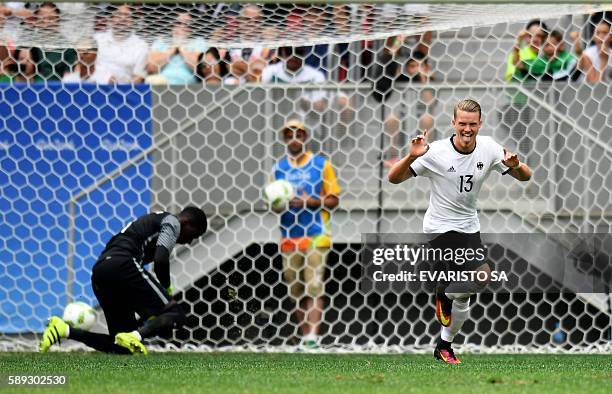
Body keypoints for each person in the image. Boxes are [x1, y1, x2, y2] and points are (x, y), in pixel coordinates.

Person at [388, 99, 532, 364]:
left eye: (472, 124)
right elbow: (394, 179)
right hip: (439, 227)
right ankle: (443, 293)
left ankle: (444, 345)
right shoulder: (435, 152)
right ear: (453, 123)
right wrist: (411, 155)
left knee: (465, 295)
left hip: (469, 225)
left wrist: (516, 166)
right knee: (482, 274)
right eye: (462, 123)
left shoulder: (488, 147)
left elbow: (526, 176)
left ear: (481, 124)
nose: (467, 129)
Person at [39, 207, 208, 355]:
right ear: (187, 222)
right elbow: (161, 260)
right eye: (195, 234)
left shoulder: (151, 223)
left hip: (101, 270)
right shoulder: (172, 222)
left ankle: (64, 330)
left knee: (121, 346)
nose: (190, 241)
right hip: (123, 264)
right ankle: (135, 336)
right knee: (175, 314)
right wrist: (167, 289)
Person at [271, 120, 340, 349]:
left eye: (298, 134)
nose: (294, 138)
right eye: (289, 134)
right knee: (296, 288)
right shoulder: (278, 169)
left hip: (316, 233)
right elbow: (273, 204)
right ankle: (304, 336)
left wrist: (310, 202)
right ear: (284, 139)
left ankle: (312, 337)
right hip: (289, 235)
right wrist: (280, 204)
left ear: (305, 136)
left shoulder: (321, 165)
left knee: (314, 284)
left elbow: (334, 199)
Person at [89, 4, 149, 84]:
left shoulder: (141, 46)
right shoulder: (97, 39)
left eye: (127, 16)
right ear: (110, 19)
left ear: (133, 21)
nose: (123, 19)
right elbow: (85, 67)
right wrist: (105, 79)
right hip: (94, 87)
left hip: (122, 91)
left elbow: (138, 77)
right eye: (118, 15)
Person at [146, 11, 206, 85]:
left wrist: (181, 48)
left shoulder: (198, 42)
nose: (182, 27)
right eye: (178, 23)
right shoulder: (160, 42)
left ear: (192, 28)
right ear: (171, 25)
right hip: (161, 84)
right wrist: (174, 48)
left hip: (189, 85)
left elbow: (200, 68)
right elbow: (151, 68)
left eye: (187, 24)